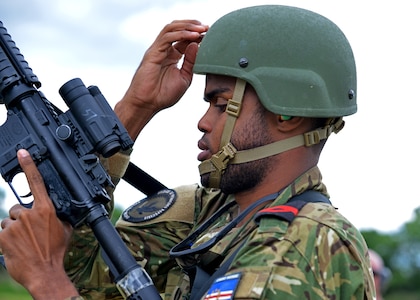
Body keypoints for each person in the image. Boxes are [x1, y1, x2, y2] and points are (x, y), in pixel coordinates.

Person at [0, 5, 376, 299]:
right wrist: (137, 107)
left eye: (220, 103)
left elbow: (59, 277)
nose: (202, 121)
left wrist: (48, 285)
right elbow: (87, 277)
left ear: (288, 113)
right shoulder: (207, 216)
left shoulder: (306, 243)